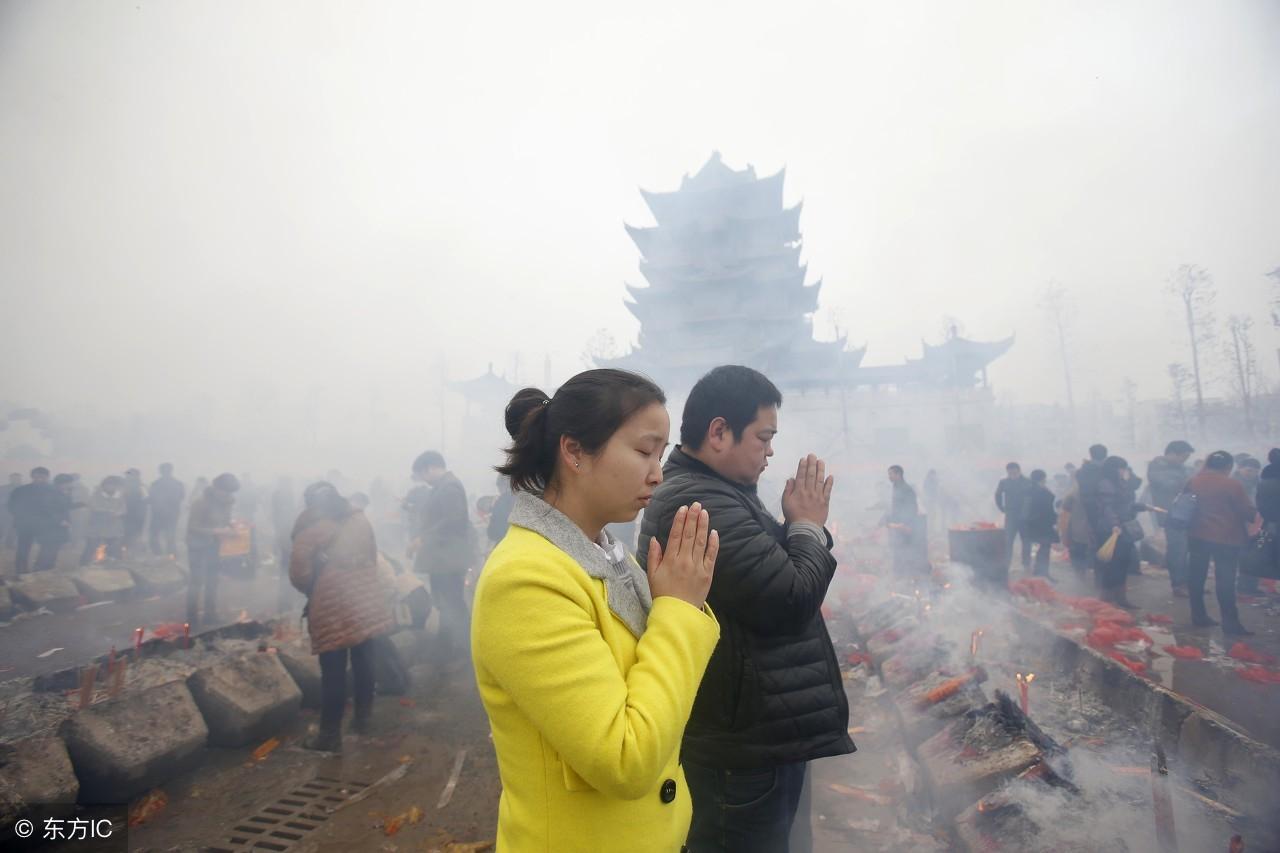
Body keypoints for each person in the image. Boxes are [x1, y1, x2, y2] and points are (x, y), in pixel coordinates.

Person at [473, 370, 720, 853]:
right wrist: (677, 610)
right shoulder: (525, 580)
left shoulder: (610, 555)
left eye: (661, 454)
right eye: (644, 451)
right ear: (574, 452)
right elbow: (625, 758)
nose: (658, 473)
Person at [638, 365, 852, 853]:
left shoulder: (722, 494)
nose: (770, 450)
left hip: (761, 736)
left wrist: (797, 528)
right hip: (742, 752)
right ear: (718, 432)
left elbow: (772, 575)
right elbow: (791, 599)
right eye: (763, 436)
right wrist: (808, 525)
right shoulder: (698, 503)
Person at [290, 482, 393, 751]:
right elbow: (371, 555)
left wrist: (316, 585)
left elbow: (299, 574)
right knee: (363, 661)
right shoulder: (359, 519)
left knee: (333, 671)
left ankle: (329, 735)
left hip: (331, 602)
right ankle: (363, 718)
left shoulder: (311, 528)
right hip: (364, 599)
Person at [409, 450, 477, 665]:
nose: (423, 480)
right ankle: (448, 647)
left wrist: (423, 539)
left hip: (449, 560)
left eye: (422, 474)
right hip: (443, 559)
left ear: (430, 468)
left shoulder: (449, 488)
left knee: (452, 604)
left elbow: (452, 521)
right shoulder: (442, 487)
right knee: (447, 603)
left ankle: (465, 650)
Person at [1185, 451, 1259, 636]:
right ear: (1228, 466)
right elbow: (1247, 511)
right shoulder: (1232, 484)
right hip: (1226, 538)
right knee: (1225, 580)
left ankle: (1199, 616)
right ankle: (1230, 623)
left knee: (1196, 577)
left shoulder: (1193, 481)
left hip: (1197, 535)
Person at [1090, 457, 1147, 608]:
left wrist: (1142, 506)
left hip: (1124, 527)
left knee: (1123, 562)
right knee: (1112, 564)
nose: (1124, 471)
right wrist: (1114, 524)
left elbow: (1126, 503)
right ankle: (1107, 597)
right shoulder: (1105, 484)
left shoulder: (1122, 483)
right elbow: (1107, 507)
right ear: (1113, 469)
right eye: (1122, 468)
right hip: (1111, 529)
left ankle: (1120, 596)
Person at [186, 473, 239, 626]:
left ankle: (210, 615)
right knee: (196, 582)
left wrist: (233, 528)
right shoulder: (200, 503)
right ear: (216, 488)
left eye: (230, 492)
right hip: (197, 545)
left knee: (212, 581)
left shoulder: (227, 502)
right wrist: (216, 531)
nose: (227, 495)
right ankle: (192, 619)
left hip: (214, 545)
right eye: (225, 491)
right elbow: (192, 527)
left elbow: (226, 521)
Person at [1147, 440, 1194, 597]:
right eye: (1183, 456)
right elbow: (1169, 485)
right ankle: (1178, 584)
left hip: (1186, 513)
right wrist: (1188, 482)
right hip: (1171, 515)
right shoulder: (1157, 467)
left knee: (1187, 550)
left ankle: (1188, 582)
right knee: (1177, 550)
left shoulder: (1182, 468)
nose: (1185, 460)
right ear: (1171, 453)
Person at [8, 468, 63, 573]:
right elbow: (12, 505)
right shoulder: (21, 490)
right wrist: (20, 516)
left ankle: (40, 568)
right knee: (23, 547)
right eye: (37, 477)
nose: (40, 479)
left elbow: (59, 507)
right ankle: (21, 568)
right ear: (32, 477)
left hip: (45, 525)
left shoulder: (53, 491)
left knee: (45, 547)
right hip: (25, 524)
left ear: (47, 477)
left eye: (43, 477)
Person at [884, 465, 926, 578]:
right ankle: (899, 576)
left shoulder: (906, 489)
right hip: (897, 526)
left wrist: (906, 525)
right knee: (898, 551)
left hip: (905, 527)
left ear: (898, 474)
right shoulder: (895, 487)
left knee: (906, 551)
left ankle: (909, 576)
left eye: (891, 474)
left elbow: (913, 508)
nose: (889, 477)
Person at [1232, 457, 1264, 596]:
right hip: (1238, 523)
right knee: (1243, 555)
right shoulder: (1233, 483)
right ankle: (1242, 586)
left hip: (1256, 522)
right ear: (1240, 469)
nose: (1252, 473)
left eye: (1255, 471)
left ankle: (1250, 585)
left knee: (1255, 554)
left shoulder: (1259, 483)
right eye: (1249, 470)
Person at [81, 476, 127, 564]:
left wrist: (118, 513)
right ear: (104, 485)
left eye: (114, 485)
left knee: (113, 547)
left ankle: (112, 564)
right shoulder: (96, 495)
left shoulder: (120, 496)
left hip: (114, 526)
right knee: (91, 546)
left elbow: (123, 508)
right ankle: (84, 564)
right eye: (109, 485)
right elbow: (92, 506)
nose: (112, 487)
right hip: (97, 526)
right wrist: (106, 511)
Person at [995, 463, 1033, 570]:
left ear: (1019, 471)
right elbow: (997, 495)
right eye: (1010, 473)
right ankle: (1006, 564)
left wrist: (1029, 512)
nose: (1013, 474)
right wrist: (1001, 507)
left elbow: (1032, 498)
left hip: (1025, 516)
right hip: (1011, 515)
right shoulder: (1004, 482)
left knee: (1026, 540)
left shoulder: (1027, 482)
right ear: (1007, 472)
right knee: (1008, 540)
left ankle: (1026, 564)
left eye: (1014, 472)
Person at [1023, 470, 1058, 579]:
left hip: (1032, 523)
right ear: (1042, 478)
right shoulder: (1041, 491)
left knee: (1042, 547)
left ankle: (1039, 571)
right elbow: (1047, 506)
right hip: (1042, 523)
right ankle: (1042, 572)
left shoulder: (1028, 490)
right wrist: (1054, 519)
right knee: (1045, 547)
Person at [270, 477, 299, 611]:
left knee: (289, 569)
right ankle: (283, 603)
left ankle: (287, 601)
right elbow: (276, 515)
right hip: (283, 535)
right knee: (285, 570)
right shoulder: (277, 496)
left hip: (289, 534)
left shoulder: (290, 495)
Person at [148, 463, 185, 557]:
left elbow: (151, 498)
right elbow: (181, 497)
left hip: (162, 514)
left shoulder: (156, 484)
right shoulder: (178, 483)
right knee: (168, 536)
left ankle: (160, 555)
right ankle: (170, 555)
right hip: (168, 514)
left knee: (158, 535)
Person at [121, 469, 148, 554]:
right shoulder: (123, 486)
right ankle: (125, 551)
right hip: (125, 514)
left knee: (136, 533)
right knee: (125, 532)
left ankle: (134, 552)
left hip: (137, 515)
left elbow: (146, 500)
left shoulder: (141, 487)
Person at [0, 472, 21, 549]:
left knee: (15, 529)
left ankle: (11, 544)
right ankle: (1, 544)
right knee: (4, 528)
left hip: (18, 513)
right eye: (14, 478)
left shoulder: (23, 489)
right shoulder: (3, 488)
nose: (16, 480)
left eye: (17, 479)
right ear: (10, 479)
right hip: (5, 512)